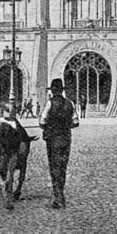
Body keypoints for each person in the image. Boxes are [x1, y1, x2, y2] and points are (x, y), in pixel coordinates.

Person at [39, 79, 79, 209]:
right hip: (66, 139)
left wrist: (51, 127)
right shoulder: (70, 104)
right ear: (62, 90)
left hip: (53, 139)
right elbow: (76, 122)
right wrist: (65, 125)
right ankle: (61, 195)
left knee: (54, 167)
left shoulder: (49, 103)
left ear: (53, 91)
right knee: (63, 166)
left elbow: (42, 121)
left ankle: (58, 198)